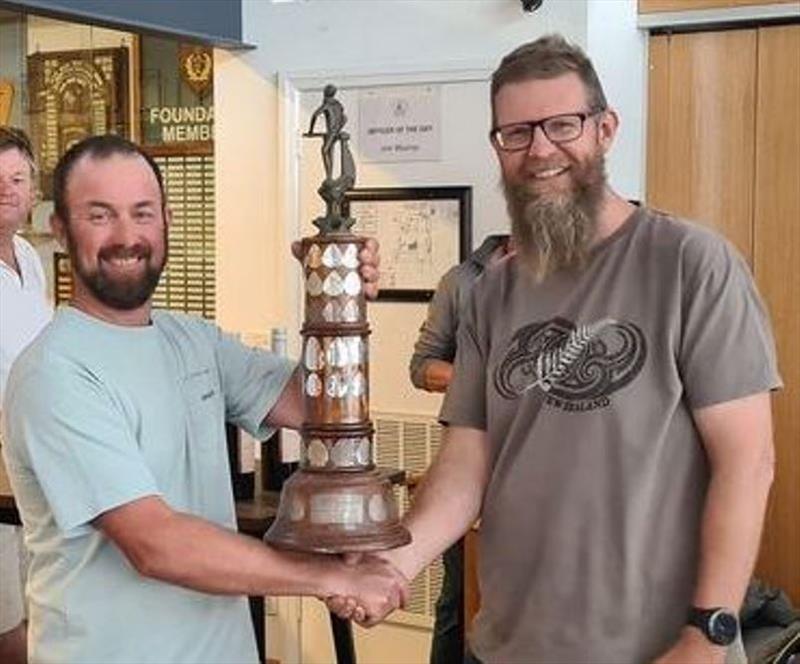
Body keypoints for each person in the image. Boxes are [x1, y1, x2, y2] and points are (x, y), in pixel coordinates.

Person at [331, 34, 781, 664]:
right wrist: (393, 564)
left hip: (659, 652)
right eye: (515, 133)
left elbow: (748, 461)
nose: (540, 149)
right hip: (509, 647)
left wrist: (708, 629)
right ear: (498, 147)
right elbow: (466, 468)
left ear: (604, 129)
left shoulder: (689, 263)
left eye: (561, 125)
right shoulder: (491, 293)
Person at [0, 134, 408, 664]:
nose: (128, 236)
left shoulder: (193, 340)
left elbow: (317, 407)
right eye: (100, 215)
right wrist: (331, 576)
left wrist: (334, 295)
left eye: (142, 212)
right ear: (60, 229)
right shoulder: (54, 372)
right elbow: (156, 544)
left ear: (167, 220)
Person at [408, 233, 510, 664]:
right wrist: (482, 378)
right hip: (465, 461)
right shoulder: (462, 282)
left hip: (532, 463)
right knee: (456, 598)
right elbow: (422, 366)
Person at [0, 126, 52, 664]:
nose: (7, 190)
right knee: (4, 623)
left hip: (32, 458)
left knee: (33, 609)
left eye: (17, 178)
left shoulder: (30, 259)